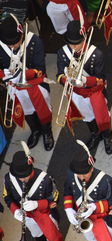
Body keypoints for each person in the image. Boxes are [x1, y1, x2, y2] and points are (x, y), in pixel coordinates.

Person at [56, 20, 112, 154]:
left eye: (78, 43)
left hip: (94, 92)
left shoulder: (96, 54)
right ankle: (95, 133)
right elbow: (59, 75)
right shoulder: (63, 53)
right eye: (71, 43)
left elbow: (101, 79)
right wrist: (66, 79)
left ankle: (107, 135)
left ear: (84, 39)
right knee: (87, 116)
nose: (75, 47)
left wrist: (85, 80)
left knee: (102, 115)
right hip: (77, 93)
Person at [3, 142, 63, 241]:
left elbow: (55, 199)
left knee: (53, 238)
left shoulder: (45, 179)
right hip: (29, 217)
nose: (22, 179)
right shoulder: (9, 179)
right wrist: (15, 211)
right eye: (19, 176)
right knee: (38, 237)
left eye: (24, 176)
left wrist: (38, 204)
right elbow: (7, 197)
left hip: (46, 215)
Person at [0, 15, 54, 151]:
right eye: (9, 44)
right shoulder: (3, 46)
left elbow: (40, 69)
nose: (12, 46)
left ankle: (47, 131)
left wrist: (20, 74)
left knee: (43, 110)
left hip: (35, 84)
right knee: (27, 110)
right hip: (15, 87)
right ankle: (35, 130)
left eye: (15, 42)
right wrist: (4, 75)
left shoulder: (34, 42)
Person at [64, 140, 112, 241]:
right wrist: (68, 208)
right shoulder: (71, 176)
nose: (82, 177)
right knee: (91, 237)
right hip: (85, 218)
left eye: (84, 173)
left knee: (111, 236)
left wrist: (96, 206)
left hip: (104, 217)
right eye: (78, 174)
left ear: (91, 167)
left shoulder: (105, 180)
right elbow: (67, 191)